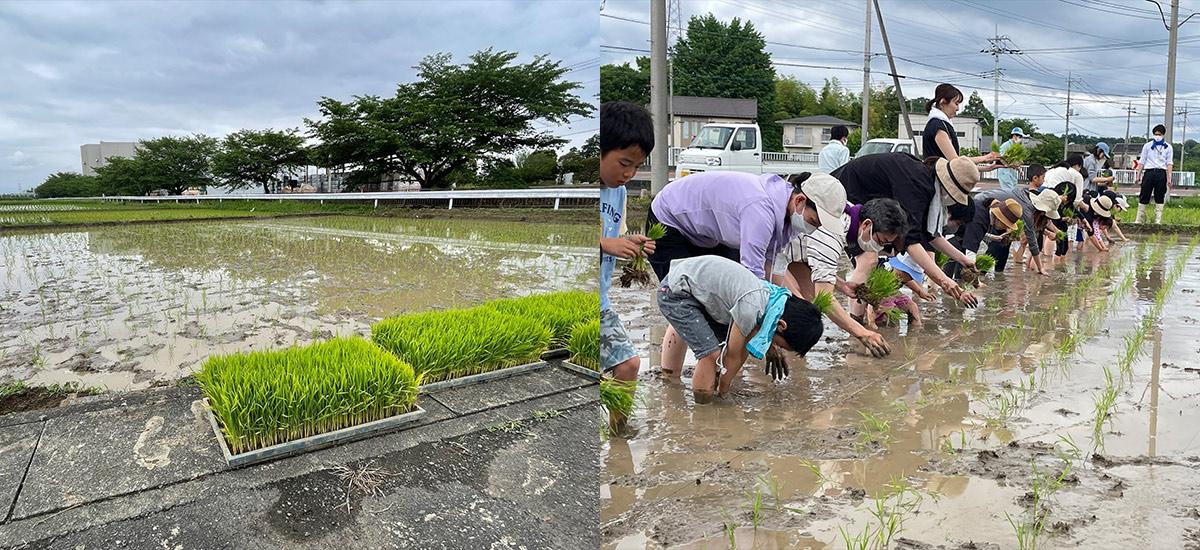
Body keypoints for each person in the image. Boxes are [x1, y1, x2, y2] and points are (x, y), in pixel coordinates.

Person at [647, 170, 847, 378]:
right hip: (671, 220)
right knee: (688, 301)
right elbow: (752, 279)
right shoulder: (761, 210)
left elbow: (771, 272)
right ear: (800, 200)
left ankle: (719, 372)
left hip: (708, 234)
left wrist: (782, 315)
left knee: (728, 308)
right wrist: (766, 334)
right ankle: (670, 379)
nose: (813, 228)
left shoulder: (787, 220)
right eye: (813, 221)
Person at [656, 255, 824, 401]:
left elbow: (742, 345)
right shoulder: (752, 306)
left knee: (720, 352)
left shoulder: (773, 300)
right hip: (676, 292)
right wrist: (724, 393)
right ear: (781, 325)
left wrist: (725, 382)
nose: (775, 347)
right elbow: (734, 355)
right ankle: (703, 406)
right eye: (779, 344)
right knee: (711, 354)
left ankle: (709, 387)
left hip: (701, 294)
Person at [831, 152, 982, 308]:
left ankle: (862, 320)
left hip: (868, 202)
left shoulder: (927, 184)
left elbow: (928, 235)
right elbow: (911, 240)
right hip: (845, 193)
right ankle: (856, 323)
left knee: (874, 260)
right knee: (868, 260)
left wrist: (963, 260)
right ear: (948, 186)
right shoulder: (917, 183)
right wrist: (944, 280)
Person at [772, 192, 909, 357]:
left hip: (794, 253)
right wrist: (862, 333)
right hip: (771, 252)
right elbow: (825, 299)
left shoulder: (850, 214)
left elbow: (816, 262)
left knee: (805, 305)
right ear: (866, 224)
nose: (878, 248)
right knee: (796, 311)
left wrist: (842, 285)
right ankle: (767, 348)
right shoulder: (832, 235)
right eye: (880, 241)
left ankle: (793, 359)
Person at [598, 101, 656, 431]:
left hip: (601, 301)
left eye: (637, 166)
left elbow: (615, 233)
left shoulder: (619, 192)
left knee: (629, 365)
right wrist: (607, 244)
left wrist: (632, 244)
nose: (629, 174)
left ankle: (619, 433)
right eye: (623, 163)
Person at [961, 188, 1061, 275]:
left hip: (991, 211)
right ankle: (980, 273)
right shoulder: (1027, 210)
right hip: (983, 208)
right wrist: (1040, 267)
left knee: (1004, 244)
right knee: (995, 246)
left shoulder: (1027, 197)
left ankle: (998, 273)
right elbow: (1032, 242)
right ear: (1043, 211)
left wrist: (992, 237)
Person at [922, 83, 1002, 171]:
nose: (957, 108)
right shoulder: (937, 126)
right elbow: (955, 161)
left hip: (938, 179)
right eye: (956, 103)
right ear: (943, 102)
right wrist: (985, 158)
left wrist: (988, 168)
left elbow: (957, 163)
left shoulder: (942, 124)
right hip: (935, 181)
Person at [1134, 124, 1174, 224]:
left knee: (1160, 195)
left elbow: (1169, 163)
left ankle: (1158, 220)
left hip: (1161, 173)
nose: (1157, 136)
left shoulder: (1168, 147)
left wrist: (1169, 178)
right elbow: (1142, 161)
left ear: (1163, 135)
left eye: (1159, 134)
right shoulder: (1147, 146)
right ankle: (1139, 219)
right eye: (1155, 134)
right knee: (1144, 194)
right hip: (1149, 172)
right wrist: (1138, 176)